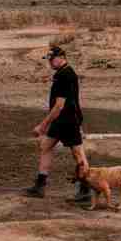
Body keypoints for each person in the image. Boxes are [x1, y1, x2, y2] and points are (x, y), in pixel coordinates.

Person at [23, 45, 92, 203]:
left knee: (78, 154)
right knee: (46, 147)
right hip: (61, 120)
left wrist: (42, 125)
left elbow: (59, 105)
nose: (49, 63)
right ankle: (39, 186)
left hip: (67, 120)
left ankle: (86, 189)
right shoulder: (62, 73)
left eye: (51, 59)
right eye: (48, 60)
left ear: (61, 57)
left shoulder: (65, 75)